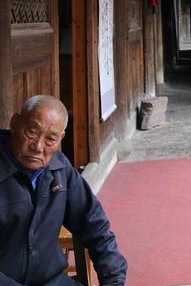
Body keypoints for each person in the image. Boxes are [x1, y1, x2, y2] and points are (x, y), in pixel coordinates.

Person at [0, 95, 127, 286]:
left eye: (50, 139)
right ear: (15, 123)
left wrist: (114, 280)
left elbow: (95, 226)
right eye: (31, 132)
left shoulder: (60, 169)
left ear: (61, 139)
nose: (38, 146)